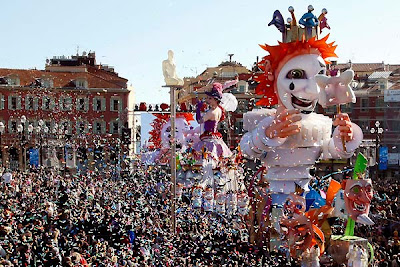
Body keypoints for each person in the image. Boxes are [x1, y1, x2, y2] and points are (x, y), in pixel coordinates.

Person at [194, 83, 232, 159]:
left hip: (209, 139)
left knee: (206, 156)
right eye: (207, 98)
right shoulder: (219, 109)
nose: (207, 100)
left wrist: (198, 109)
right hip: (215, 138)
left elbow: (199, 121)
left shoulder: (211, 112)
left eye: (210, 98)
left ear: (216, 99)